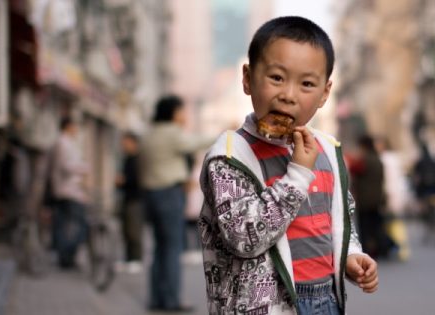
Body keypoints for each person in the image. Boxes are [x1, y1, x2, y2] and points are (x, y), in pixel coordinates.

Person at [198, 16, 378, 315]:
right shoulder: (231, 157)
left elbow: (339, 217)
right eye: (277, 78)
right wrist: (297, 176)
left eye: (307, 84)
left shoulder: (328, 151)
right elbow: (244, 238)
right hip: (263, 306)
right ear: (247, 78)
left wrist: (349, 254)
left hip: (326, 299)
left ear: (324, 94)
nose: (288, 95)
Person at [139, 95, 213, 312]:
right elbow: (194, 142)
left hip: (150, 195)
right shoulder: (171, 132)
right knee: (172, 248)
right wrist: (225, 135)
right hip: (169, 194)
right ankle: (171, 299)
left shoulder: (149, 132)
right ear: (173, 112)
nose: (184, 116)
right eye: (182, 111)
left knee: (159, 248)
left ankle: (156, 297)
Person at [51, 117, 89, 269]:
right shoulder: (63, 143)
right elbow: (66, 166)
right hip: (69, 191)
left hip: (66, 190)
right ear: (68, 126)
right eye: (75, 127)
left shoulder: (66, 143)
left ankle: (65, 257)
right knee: (80, 225)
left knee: (62, 225)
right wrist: (84, 168)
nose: (76, 130)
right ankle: (67, 255)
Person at [350, 135, 393, 259]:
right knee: (377, 226)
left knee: (365, 227)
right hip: (378, 199)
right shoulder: (378, 159)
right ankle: (383, 248)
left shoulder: (364, 160)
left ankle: (368, 251)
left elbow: (354, 169)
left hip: (365, 200)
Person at [116, 132, 144, 273]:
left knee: (134, 231)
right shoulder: (127, 158)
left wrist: (124, 181)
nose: (123, 145)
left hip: (136, 199)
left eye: (125, 142)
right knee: (126, 230)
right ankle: (129, 259)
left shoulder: (138, 159)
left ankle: (136, 260)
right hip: (127, 198)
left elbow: (138, 180)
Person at [412, 143, 435, 245]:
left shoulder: (419, 163)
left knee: (427, 212)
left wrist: (418, 193)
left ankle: (430, 229)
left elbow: (416, 179)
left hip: (425, 192)